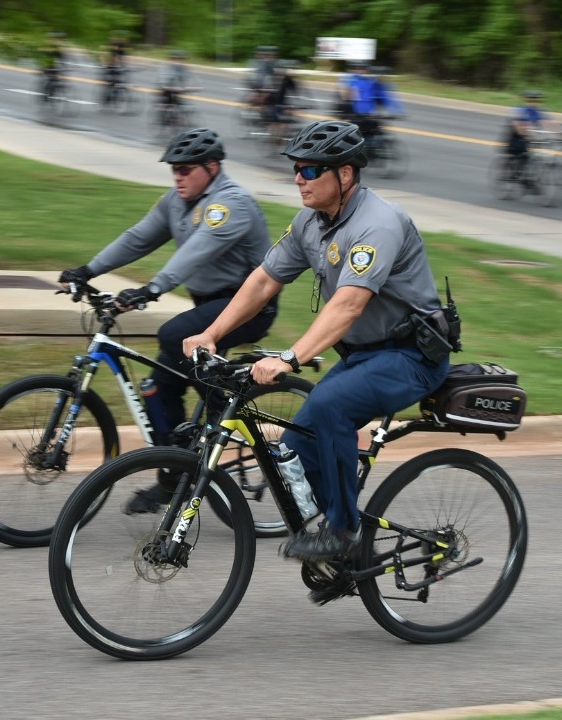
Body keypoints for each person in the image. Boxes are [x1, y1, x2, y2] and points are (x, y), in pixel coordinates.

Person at [182, 120, 452, 561]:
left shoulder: (378, 223)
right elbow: (264, 280)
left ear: (344, 175)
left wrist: (290, 357)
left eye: (309, 171)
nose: (298, 179)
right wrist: (212, 334)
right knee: (297, 445)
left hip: (411, 356)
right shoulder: (311, 222)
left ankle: (343, 534)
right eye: (297, 170)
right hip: (363, 356)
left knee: (330, 409)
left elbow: (347, 306)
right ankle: (336, 538)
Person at [57, 127, 275, 458]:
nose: (177, 176)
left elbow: (197, 252)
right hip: (209, 305)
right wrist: (88, 270)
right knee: (157, 388)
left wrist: (151, 289)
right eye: (174, 169)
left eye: (185, 168)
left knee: (173, 335)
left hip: (250, 307)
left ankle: (228, 412)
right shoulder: (176, 201)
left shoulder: (231, 203)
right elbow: (137, 238)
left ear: (212, 167)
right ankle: (173, 474)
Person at [505, 89, 549, 163]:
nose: (533, 104)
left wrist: (559, 135)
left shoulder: (537, 112)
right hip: (515, 139)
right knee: (524, 156)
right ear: (524, 101)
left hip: (527, 139)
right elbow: (519, 128)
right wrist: (532, 135)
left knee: (531, 157)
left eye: (536, 101)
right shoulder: (518, 110)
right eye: (530, 101)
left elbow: (549, 123)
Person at [158, 50, 190, 119]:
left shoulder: (183, 68)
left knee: (180, 104)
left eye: (180, 59)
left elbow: (189, 77)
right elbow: (163, 78)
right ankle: (164, 115)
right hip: (166, 88)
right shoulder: (166, 68)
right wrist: (166, 86)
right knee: (168, 103)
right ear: (171, 59)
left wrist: (198, 86)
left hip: (177, 89)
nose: (178, 61)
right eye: (175, 59)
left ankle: (178, 118)